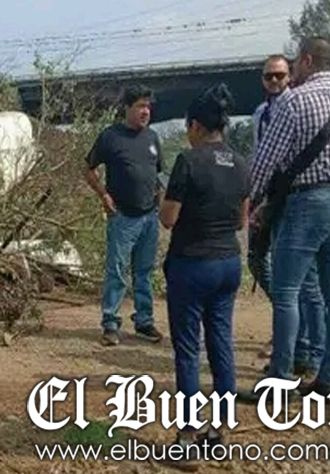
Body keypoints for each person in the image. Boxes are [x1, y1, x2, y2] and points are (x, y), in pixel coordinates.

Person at [244, 37, 330, 399]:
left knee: (287, 291)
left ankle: (280, 378)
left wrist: (252, 202)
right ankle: (327, 378)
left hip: (308, 201)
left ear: (305, 61)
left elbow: (265, 160)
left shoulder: (294, 101)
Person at [158, 84, 249, 464]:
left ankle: (186, 437)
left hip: (192, 263)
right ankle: (220, 431)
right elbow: (242, 219)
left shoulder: (188, 161)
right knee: (221, 345)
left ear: (195, 126)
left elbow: (169, 218)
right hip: (228, 262)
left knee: (187, 350)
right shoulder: (241, 163)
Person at [248, 55, 324, 377]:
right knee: (258, 260)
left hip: (291, 196)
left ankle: (302, 347)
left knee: (301, 279)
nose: (275, 81)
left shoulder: (297, 105)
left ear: (290, 76)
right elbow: (260, 155)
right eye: (269, 76)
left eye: (280, 75)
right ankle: (290, 327)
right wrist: (254, 196)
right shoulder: (260, 113)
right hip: (268, 195)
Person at [85, 85, 166, 347]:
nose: (145, 111)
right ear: (127, 108)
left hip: (149, 217)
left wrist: (161, 203)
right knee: (117, 271)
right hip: (122, 217)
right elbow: (88, 169)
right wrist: (103, 195)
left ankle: (144, 321)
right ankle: (110, 323)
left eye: (148, 107)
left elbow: (158, 176)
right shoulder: (111, 137)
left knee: (144, 272)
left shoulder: (152, 138)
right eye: (140, 106)